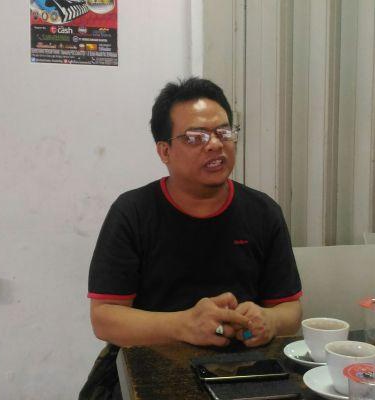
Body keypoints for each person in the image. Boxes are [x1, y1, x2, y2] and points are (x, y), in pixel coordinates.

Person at [80, 77, 302, 400]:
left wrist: (269, 320)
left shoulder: (263, 212)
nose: (214, 145)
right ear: (164, 151)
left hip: (245, 370)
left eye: (223, 132)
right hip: (151, 367)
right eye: (196, 137)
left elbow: (290, 309)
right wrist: (185, 325)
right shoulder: (132, 213)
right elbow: (105, 319)